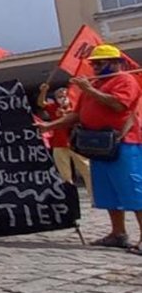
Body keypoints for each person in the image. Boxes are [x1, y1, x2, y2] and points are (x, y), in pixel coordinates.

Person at [37, 44, 142, 249]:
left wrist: (89, 89)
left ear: (115, 63)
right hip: (96, 144)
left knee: (132, 190)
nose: (94, 68)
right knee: (108, 191)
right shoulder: (94, 84)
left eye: (99, 63)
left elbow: (118, 105)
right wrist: (49, 125)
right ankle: (117, 233)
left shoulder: (124, 80)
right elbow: (76, 115)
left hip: (122, 143)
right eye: (93, 64)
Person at [37, 82, 93, 196]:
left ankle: (94, 195)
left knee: (86, 170)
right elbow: (41, 103)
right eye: (59, 96)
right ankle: (70, 197)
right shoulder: (53, 108)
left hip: (76, 144)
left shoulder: (75, 108)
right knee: (64, 174)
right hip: (58, 144)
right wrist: (43, 91)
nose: (62, 98)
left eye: (64, 95)